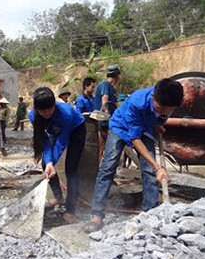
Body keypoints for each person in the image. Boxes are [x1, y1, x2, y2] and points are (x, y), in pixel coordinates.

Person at [85, 78, 184, 233]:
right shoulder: (137, 102)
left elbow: (161, 116)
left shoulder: (169, 100)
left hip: (145, 128)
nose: (165, 112)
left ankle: (150, 213)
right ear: (153, 98)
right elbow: (135, 139)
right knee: (108, 166)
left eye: (169, 110)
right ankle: (97, 214)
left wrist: (158, 124)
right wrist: (158, 167)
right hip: (120, 126)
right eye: (161, 108)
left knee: (149, 171)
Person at [29, 87, 86, 223]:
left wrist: (51, 163)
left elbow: (61, 142)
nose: (47, 112)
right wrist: (48, 163)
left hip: (75, 130)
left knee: (71, 169)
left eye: (50, 108)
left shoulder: (66, 113)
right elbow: (45, 141)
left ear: (55, 104)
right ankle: (58, 197)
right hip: (55, 130)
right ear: (36, 109)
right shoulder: (33, 116)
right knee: (45, 163)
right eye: (43, 110)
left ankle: (71, 209)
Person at [94, 64, 121, 159]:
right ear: (116, 76)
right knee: (107, 144)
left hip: (107, 121)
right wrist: (107, 117)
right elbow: (104, 101)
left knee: (104, 145)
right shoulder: (105, 84)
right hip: (104, 122)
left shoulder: (111, 88)